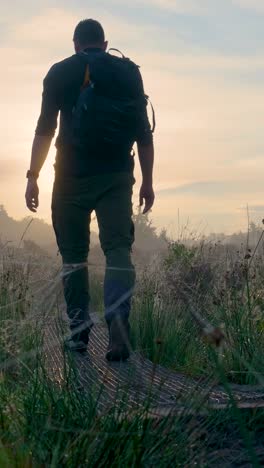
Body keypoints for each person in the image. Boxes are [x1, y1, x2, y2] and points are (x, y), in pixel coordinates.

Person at [25, 19, 155, 361]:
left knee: (73, 256)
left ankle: (79, 333)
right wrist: (148, 181)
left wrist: (32, 175)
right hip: (116, 176)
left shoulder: (60, 72)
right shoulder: (128, 72)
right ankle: (118, 321)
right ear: (104, 42)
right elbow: (143, 132)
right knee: (117, 248)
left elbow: (45, 128)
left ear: (75, 44)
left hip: (70, 177)